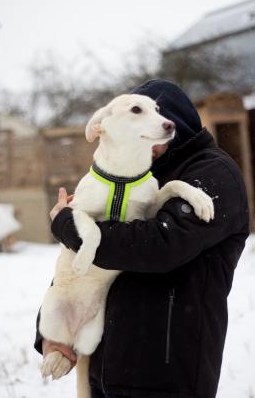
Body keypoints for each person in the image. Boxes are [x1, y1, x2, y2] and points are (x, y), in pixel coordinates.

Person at [34, 79, 249, 398]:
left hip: (165, 372)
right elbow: (79, 262)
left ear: (174, 123)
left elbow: (160, 245)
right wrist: (54, 332)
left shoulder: (214, 173)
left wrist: (68, 226)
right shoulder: (133, 172)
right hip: (108, 365)